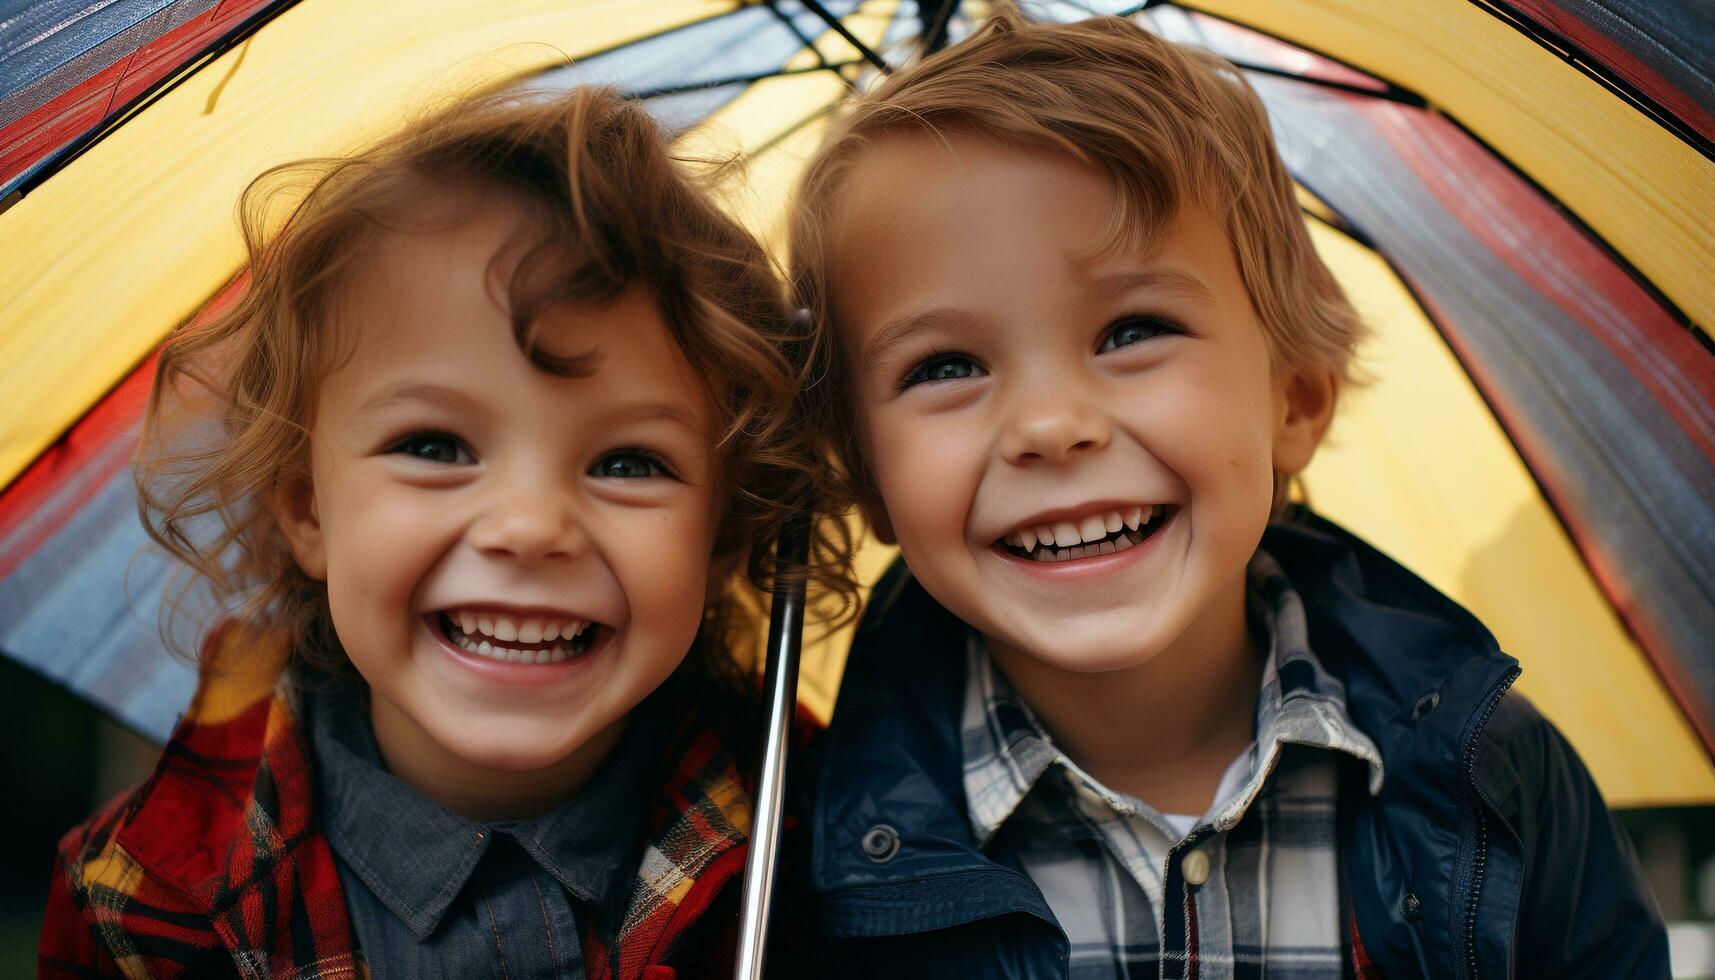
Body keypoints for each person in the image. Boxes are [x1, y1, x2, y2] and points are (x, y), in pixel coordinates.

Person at [786, 12, 1667, 978]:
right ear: (862, 473)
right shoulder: (802, 860)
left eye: (1131, 331)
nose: (1047, 424)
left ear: (1293, 398)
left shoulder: (1495, 779)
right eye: (945, 364)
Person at [40, 84, 851, 978]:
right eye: (434, 445)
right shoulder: (140, 902)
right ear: (307, 508)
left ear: (724, 536)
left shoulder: (839, 849)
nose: (530, 528)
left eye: (628, 463)